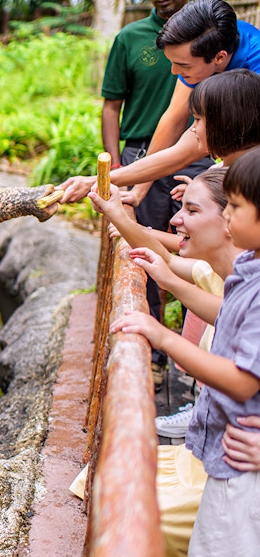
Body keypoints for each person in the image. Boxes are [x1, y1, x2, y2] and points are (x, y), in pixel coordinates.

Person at [108, 146, 260, 556]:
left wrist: (163, 336)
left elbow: (245, 380)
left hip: (241, 461)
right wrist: (168, 282)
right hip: (223, 452)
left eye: (238, 207)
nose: (228, 215)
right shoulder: (248, 271)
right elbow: (227, 312)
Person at [100, 0, 213, 389]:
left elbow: (185, 124)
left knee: (197, 246)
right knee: (141, 251)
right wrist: (117, 164)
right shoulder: (129, 38)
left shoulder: (221, 39)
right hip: (143, 152)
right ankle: (148, 351)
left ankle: (196, 351)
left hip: (198, 152)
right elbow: (112, 106)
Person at [59, 0, 260, 205]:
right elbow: (173, 120)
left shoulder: (253, 70)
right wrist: (139, 191)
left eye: (181, 65)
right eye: (172, 62)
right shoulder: (203, 50)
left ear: (219, 58)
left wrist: (98, 180)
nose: (174, 72)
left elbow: (185, 152)